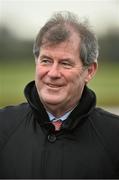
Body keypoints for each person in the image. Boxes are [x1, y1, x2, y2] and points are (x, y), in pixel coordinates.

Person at [0, 11, 119, 179]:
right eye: (46, 60)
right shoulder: (3, 126)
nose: (53, 73)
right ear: (36, 62)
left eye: (65, 63)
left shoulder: (114, 136)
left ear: (89, 71)